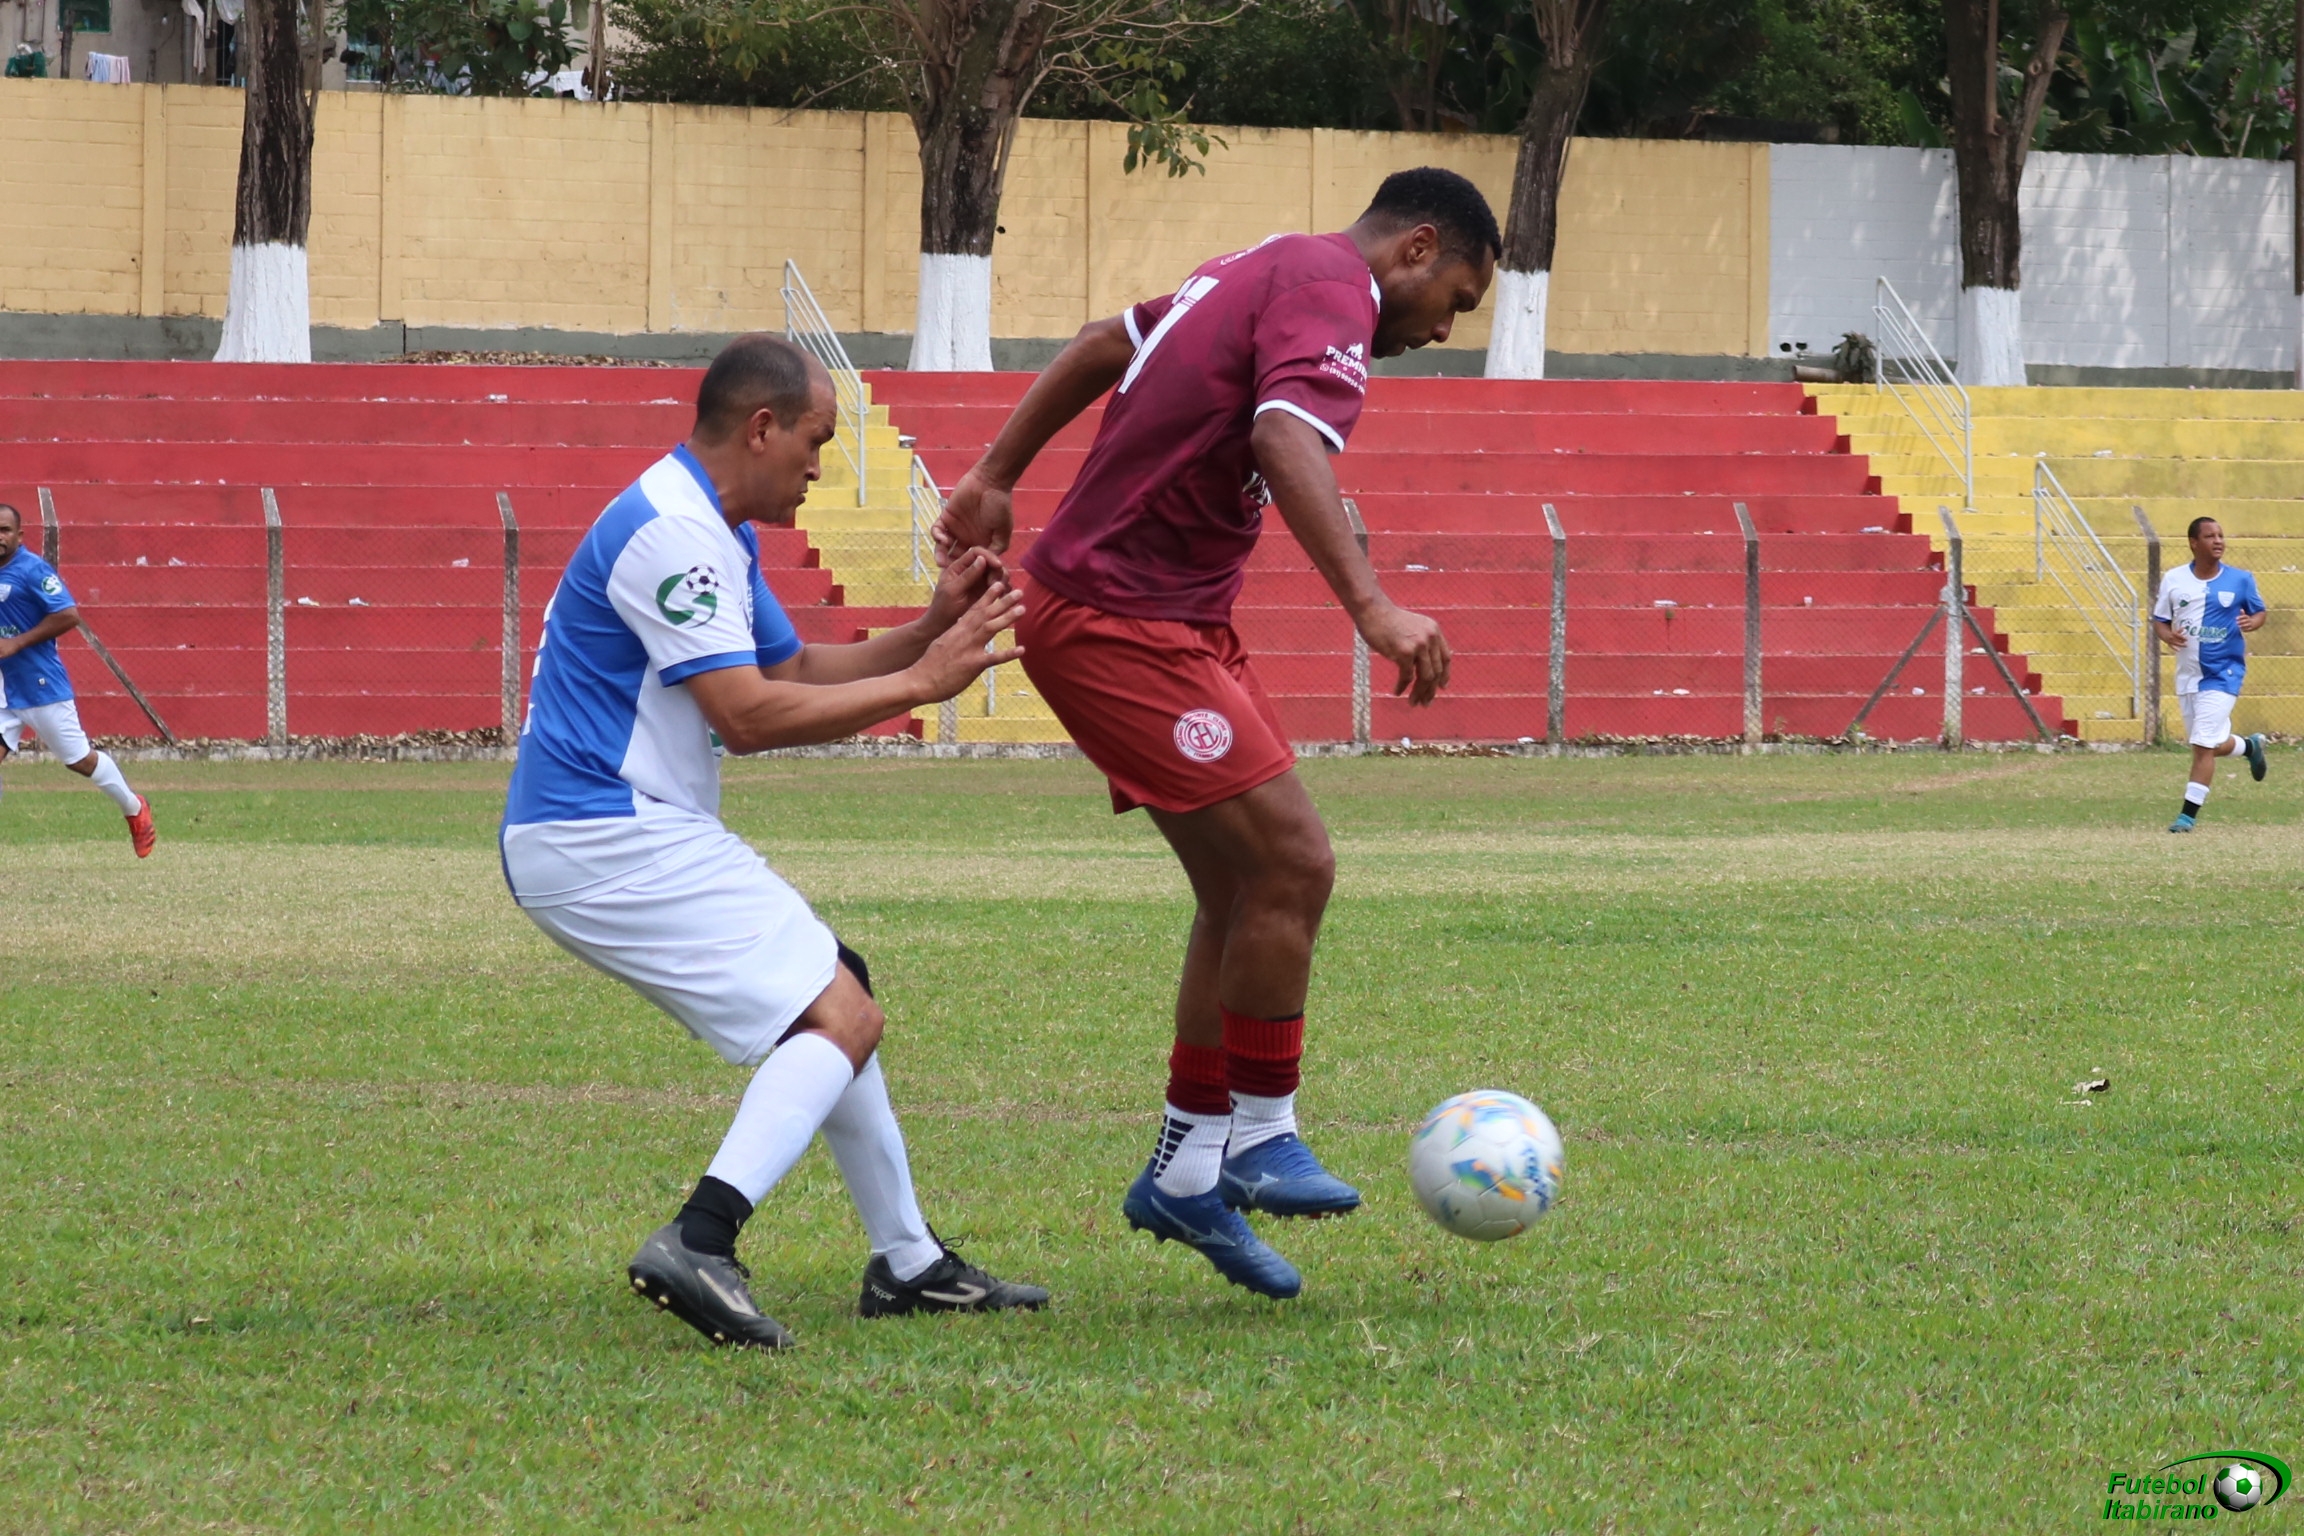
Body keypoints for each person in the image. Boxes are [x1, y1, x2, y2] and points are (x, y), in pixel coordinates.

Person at [933, 167, 1499, 1299]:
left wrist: (997, 471)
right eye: (1458, 300)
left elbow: (1105, 342)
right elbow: (1285, 437)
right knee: (1296, 862)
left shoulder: (1259, 266)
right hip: (1119, 620)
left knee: (1241, 888)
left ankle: (1187, 1173)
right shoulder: (1335, 290)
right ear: (1416, 248)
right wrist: (1373, 606)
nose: (1445, 330)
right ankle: (1260, 1133)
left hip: (1171, 619)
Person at [502, 334, 1047, 1350]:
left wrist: (929, 632)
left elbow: (790, 670)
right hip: (602, 834)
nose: (819, 467)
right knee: (840, 1013)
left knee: (841, 986)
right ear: (761, 428)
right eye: (815, 441)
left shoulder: (710, 523)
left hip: (612, 830)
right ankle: (701, 1239)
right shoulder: (674, 533)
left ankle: (907, 1263)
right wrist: (922, 686)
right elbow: (748, 717)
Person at [0, 503, 156, 855]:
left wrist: (17, 643)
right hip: (4, 689)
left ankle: (134, 808)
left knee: (79, 761)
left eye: (5, 530)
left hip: (40, 686)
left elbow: (68, 615)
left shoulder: (32, 570)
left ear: (19, 535)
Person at [2152, 515, 2268, 832]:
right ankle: (2249, 747)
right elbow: (2160, 620)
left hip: (2223, 674)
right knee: (2210, 744)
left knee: (2202, 746)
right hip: (2188, 675)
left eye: (2220, 535)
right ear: (2193, 543)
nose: (2218, 541)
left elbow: (2259, 612)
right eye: (2210, 536)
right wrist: (2167, 635)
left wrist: (2252, 622)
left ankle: (2186, 816)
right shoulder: (2174, 579)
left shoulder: (2241, 579)